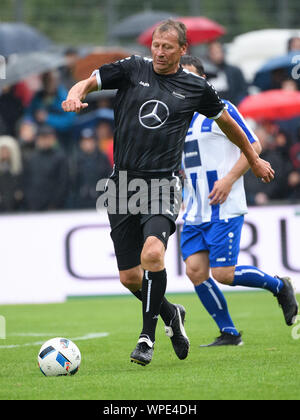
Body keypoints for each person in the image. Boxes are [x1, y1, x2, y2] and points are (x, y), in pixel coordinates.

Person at [62, 19, 274, 366]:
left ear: (182, 50)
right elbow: (89, 81)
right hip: (122, 184)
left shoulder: (195, 88)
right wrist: (75, 94)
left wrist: (254, 157)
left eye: (167, 48)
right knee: (130, 277)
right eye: (156, 46)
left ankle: (147, 338)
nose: (159, 53)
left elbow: (229, 125)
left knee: (153, 254)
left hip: (163, 183)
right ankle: (172, 314)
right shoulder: (132, 68)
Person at [180, 55, 298, 346]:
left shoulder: (220, 109)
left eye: (191, 77)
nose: (184, 82)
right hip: (195, 209)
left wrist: (229, 179)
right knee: (195, 271)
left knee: (223, 273)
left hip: (224, 204)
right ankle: (229, 333)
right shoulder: (177, 118)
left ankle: (278, 285)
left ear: (203, 81)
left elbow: (254, 145)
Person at [23, 125, 69, 211]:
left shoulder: (60, 157)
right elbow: (26, 181)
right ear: (37, 139)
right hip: (33, 205)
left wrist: (54, 204)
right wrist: (29, 201)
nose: (45, 141)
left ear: (53, 139)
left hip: (54, 206)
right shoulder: (31, 158)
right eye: (42, 138)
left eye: (48, 137)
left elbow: (63, 183)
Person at [73, 128, 112, 209]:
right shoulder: (76, 159)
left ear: (95, 142)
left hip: (100, 200)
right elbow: (73, 182)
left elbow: (108, 178)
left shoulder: (103, 158)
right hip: (80, 201)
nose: (87, 144)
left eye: (90, 141)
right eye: (84, 141)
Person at [206, 41, 248, 106]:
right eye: (213, 53)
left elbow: (243, 90)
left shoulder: (234, 71)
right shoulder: (206, 73)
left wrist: (237, 104)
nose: (217, 55)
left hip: (232, 106)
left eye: (218, 52)